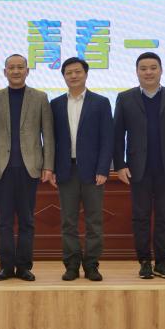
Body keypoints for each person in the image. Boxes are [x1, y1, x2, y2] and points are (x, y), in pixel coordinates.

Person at [113, 52, 165, 280]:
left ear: (161, 70)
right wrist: (119, 165)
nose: (148, 72)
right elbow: (117, 135)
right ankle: (145, 262)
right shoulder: (125, 98)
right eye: (143, 68)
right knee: (141, 218)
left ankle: (162, 263)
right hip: (138, 169)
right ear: (137, 72)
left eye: (153, 67)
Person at [0, 54, 55, 281]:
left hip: (29, 168)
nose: (16, 71)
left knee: (27, 221)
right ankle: (6, 267)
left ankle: (24, 267)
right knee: (3, 221)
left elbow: (48, 134)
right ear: (4, 71)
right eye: (11, 68)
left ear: (27, 71)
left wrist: (48, 165)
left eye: (20, 67)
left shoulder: (40, 97)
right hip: (2, 168)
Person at [51, 57, 113, 282]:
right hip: (65, 170)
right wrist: (52, 168)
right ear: (64, 76)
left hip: (93, 171)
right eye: (69, 72)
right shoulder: (55, 104)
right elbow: (51, 139)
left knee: (94, 221)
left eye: (77, 71)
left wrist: (104, 168)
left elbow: (107, 138)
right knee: (68, 221)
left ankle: (92, 265)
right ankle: (71, 264)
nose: (73, 76)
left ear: (86, 74)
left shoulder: (101, 102)